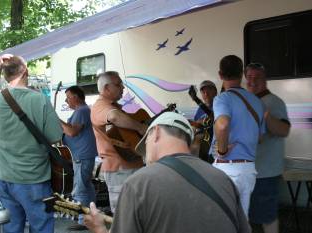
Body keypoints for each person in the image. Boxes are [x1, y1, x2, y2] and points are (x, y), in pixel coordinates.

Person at [84, 111, 251, 233]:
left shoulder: (138, 183)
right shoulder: (222, 178)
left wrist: (99, 229)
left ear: (155, 132)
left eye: (146, 143)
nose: (145, 154)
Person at [0, 54, 62, 233]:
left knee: (10, 227)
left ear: (4, 74)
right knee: (41, 226)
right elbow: (55, 136)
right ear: (25, 71)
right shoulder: (39, 99)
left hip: (2, 177)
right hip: (34, 178)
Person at [210, 55, 265, 217]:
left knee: (223, 220)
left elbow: (222, 125)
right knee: (242, 219)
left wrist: (221, 151)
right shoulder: (257, 102)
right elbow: (260, 138)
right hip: (248, 170)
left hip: (227, 168)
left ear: (220, 75)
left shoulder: (222, 98)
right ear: (241, 74)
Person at [91, 71, 146, 213]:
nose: (122, 87)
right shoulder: (100, 106)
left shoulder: (115, 106)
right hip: (119, 170)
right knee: (124, 215)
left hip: (131, 164)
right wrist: (140, 127)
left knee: (138, 213)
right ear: (106, 88)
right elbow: (114, 117)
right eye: (118, 84)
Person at [245, 63, 290, 233]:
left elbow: (284, 130)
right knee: (248, 217)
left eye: (257, 77)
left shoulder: (273, 102)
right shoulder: (247, 101)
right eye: (249, 77)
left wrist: (265, 114)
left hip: (265, 173)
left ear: (265, 79)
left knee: (267, 218)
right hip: (249, 171)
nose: (252, 81)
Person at [61, 85, 97, 231]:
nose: (66, 100)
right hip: (84, 155)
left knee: (80, 190)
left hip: (82, 156)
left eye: (68, 97)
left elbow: (72, 131)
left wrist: (57, 120)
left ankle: (83, 221)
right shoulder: (83, 110)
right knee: (87, 187)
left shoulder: (81, 110)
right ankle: (92, 217)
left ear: (76, 97)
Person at [191, 80, 217, 162]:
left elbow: (213, 117)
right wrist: (189, 122)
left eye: (209, 91)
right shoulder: (200, 109)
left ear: (215, 92)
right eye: (203, 92)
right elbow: (198, 125)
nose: (206, 94)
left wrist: (196, 99)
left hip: (215, 150)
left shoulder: (220, 105)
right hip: (202, 149)